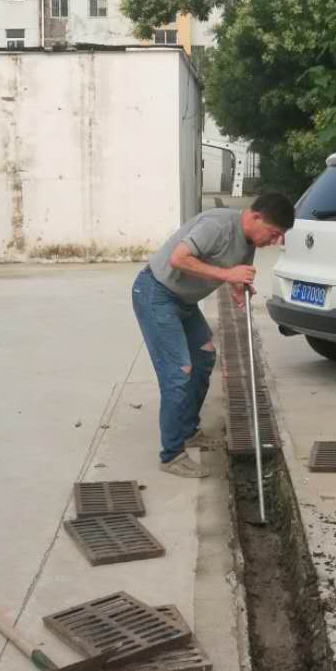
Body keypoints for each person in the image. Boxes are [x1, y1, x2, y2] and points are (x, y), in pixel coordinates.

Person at [133, 192, 296, 478]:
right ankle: (171, 455)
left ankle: (188, 431)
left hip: (184, 301)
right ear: (255, 217)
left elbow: (234, 274)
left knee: (205, 356)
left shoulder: (249, 241)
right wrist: (228, 275)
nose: (274, 241)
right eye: (273, 234)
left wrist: (239, 287)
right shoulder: (218, 226)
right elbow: (178, 259)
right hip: (157, 294)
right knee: (179, 372)